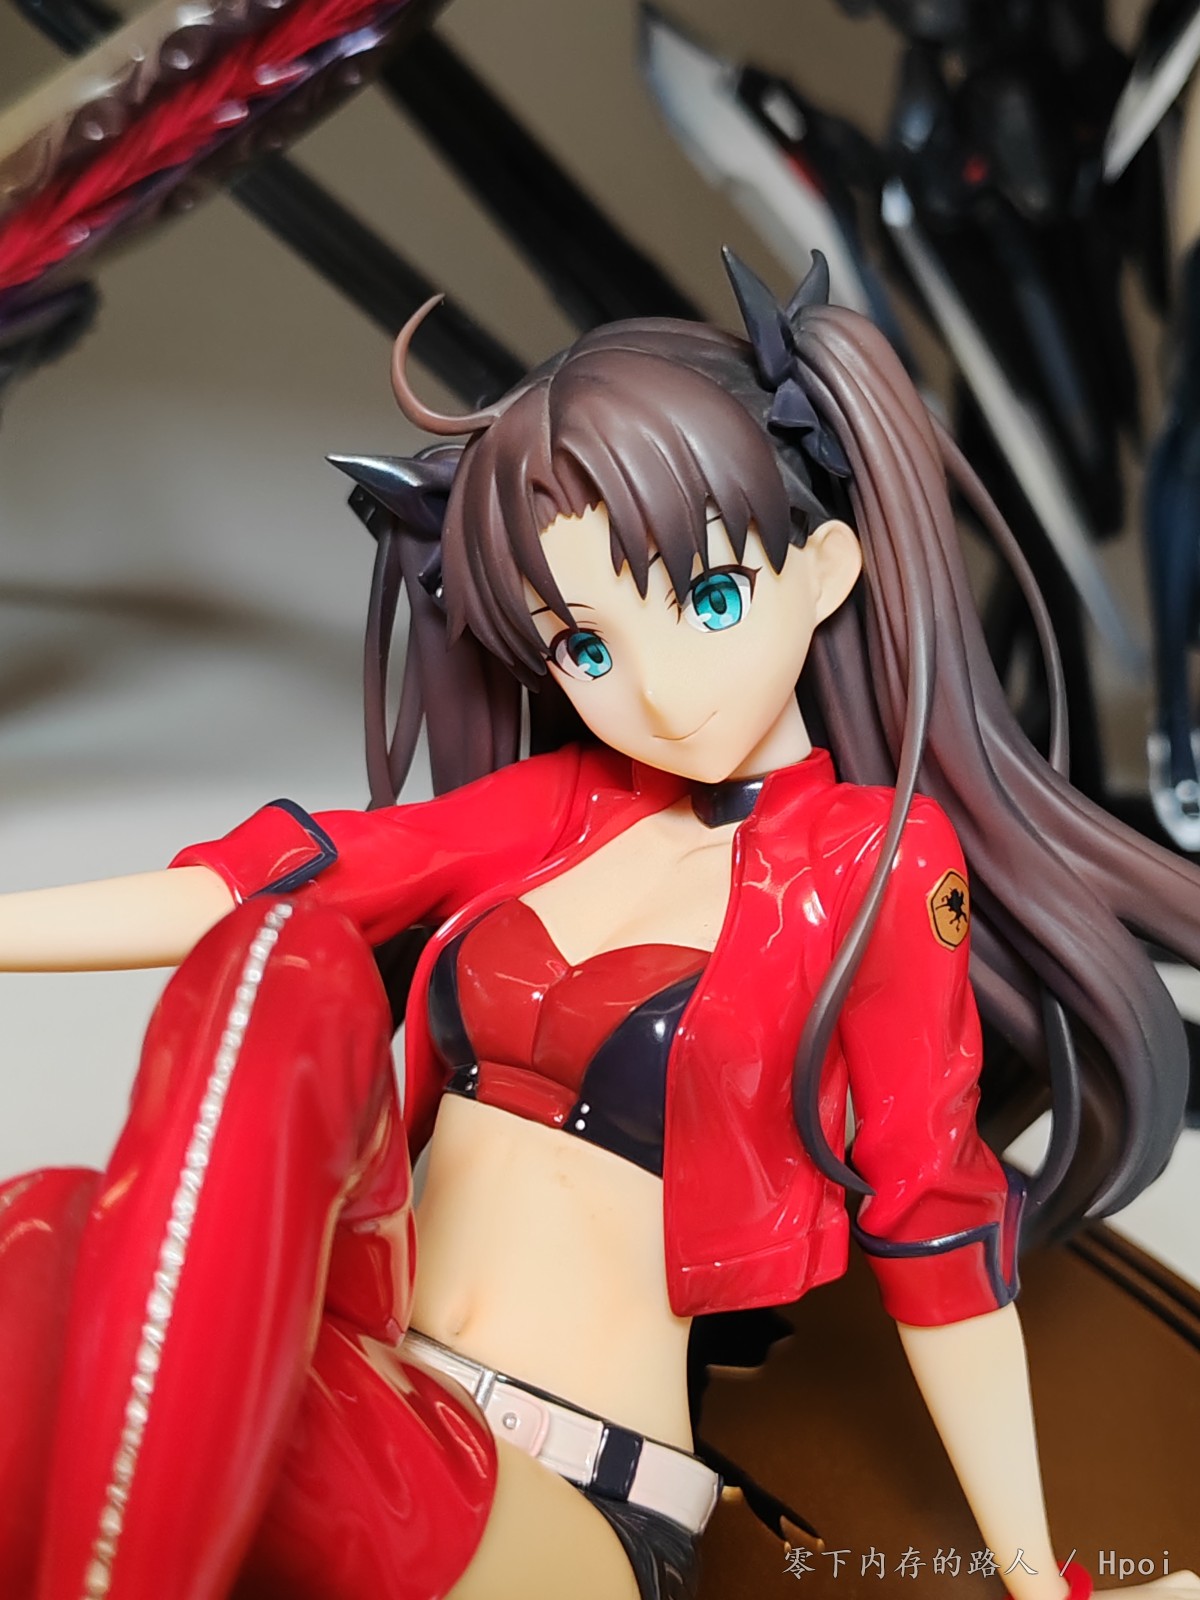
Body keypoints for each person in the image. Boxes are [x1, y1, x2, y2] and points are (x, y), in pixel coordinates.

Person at [1, 251, 1197, 1600]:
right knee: (163, 1106)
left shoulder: (869, 864)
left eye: (711, 601)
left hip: (566, 1490)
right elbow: (262, 885)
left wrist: (1043, 1584)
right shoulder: (562, 809)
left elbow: (932, 1218)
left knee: (106, 1310)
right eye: (587, 647)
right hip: (366, 1368)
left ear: (822, 571)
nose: (659, 692)